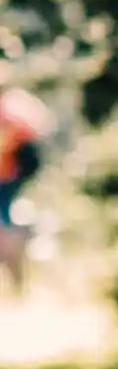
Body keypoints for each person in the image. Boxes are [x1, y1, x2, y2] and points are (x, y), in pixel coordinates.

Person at [0, 84, 48, 297]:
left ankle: (15, 274)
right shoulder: (15, 107)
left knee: (5, 225)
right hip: (11, 176)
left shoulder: (9, 112)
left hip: (7, 176)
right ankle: (16, 279)